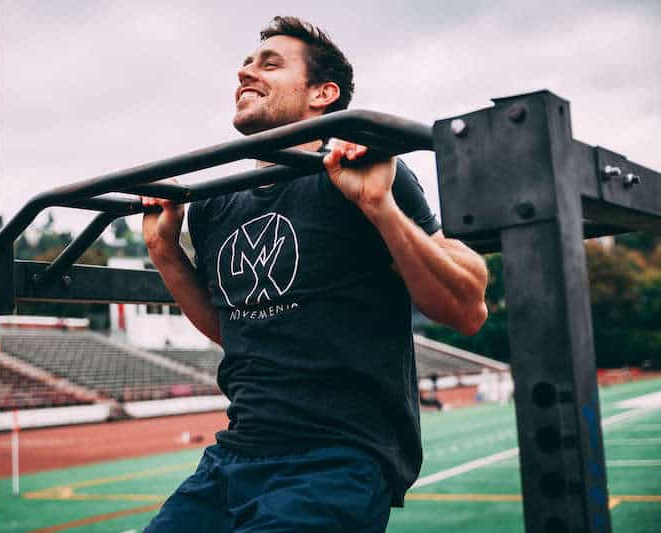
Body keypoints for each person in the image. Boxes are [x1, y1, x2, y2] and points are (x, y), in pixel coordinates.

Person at [140, 16, 488, 533]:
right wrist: (165, 252)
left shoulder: (362, 172)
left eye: (269, 64)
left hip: (336, 459)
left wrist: (380, 207)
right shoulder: (214, 205)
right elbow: (235, 327)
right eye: (244, 65)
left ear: (323, 93)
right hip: (234, 456)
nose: (245, 73)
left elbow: (467, 306)